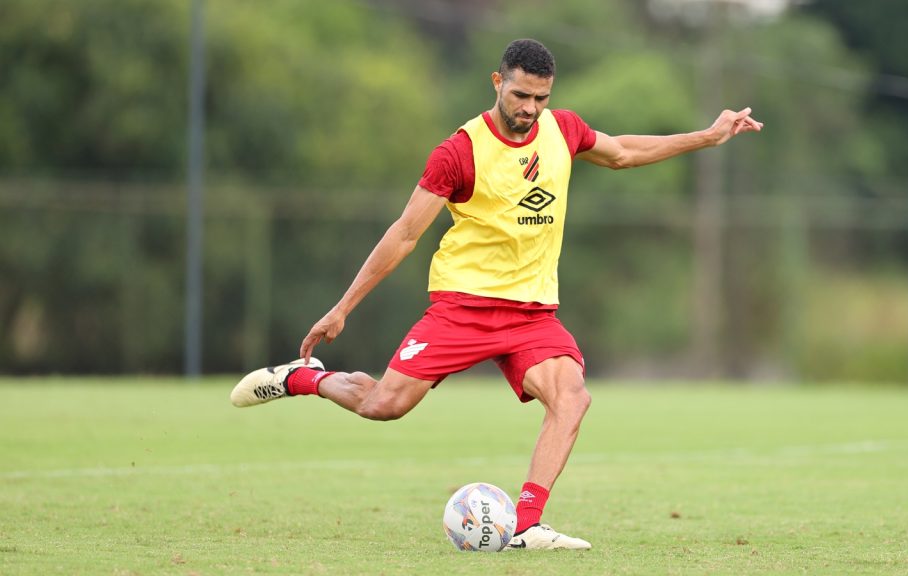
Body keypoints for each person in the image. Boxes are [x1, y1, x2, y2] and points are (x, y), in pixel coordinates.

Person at [231, 38, 761, 550]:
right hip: (462, 306)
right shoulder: (458, 152)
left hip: (532, 312)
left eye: (540, 98)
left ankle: (527, 525)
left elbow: (623, 151)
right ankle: (304, 379)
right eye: (520, 95)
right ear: (497, 83)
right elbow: (405, 234)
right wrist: (342, 307)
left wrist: (707, 136)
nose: (530, 108)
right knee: (382, 406)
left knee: (572, 397)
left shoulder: (564, 130)